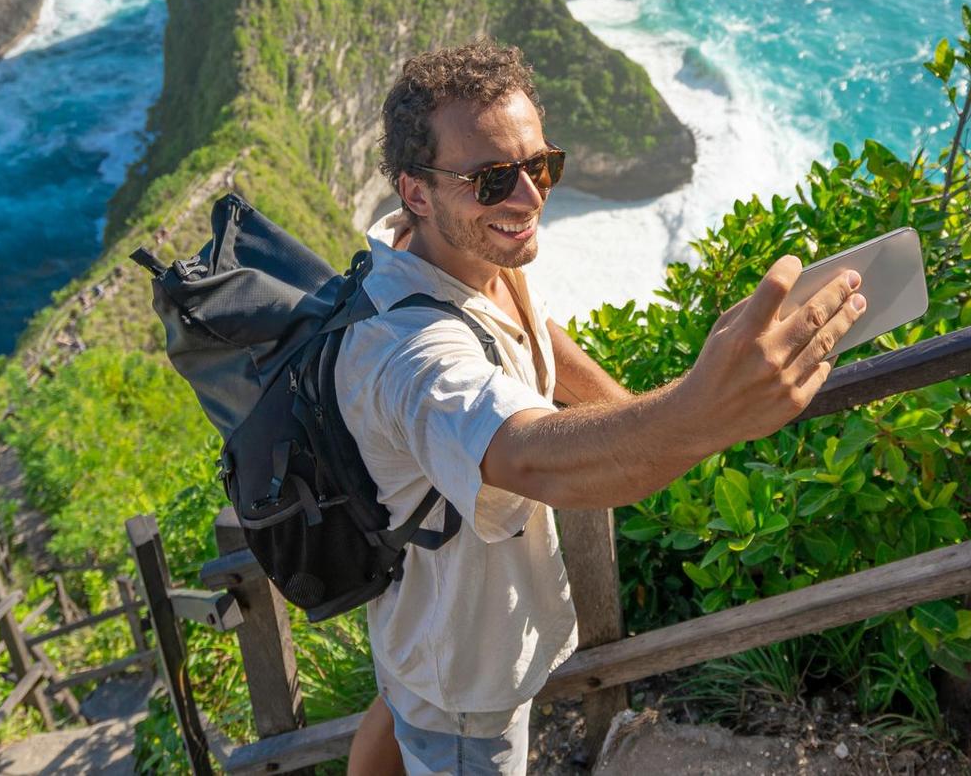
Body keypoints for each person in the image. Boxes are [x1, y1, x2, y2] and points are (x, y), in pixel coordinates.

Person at [338, 41, 865, 776]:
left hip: (430, 622)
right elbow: (522, 453)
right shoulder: (409, 355)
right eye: (493, 179)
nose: (528, 198)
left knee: (401, 693)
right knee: (426, 710)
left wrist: (623, 406)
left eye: (539, 165)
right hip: (466, 683)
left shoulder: (460, 254)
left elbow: (529, 325)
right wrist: (702, 411)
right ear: (416, 192)